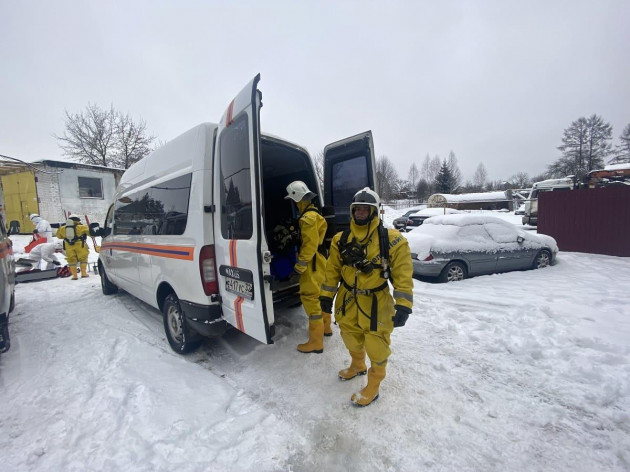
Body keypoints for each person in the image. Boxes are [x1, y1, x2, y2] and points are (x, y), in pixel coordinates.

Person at [319, 188, 413, 407]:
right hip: (347, 298)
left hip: (376, 301)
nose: (360, 212)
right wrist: (326, 296)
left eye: (365, 209)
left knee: (376, 345)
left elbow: (403, 274)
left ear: (375, 211)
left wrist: (404, 305)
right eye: (357, 209)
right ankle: (358, 365)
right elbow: (332, 270)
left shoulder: (393, 240)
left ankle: (373, 385)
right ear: (352, 211)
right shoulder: (340, 239)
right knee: (349, 335)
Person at [284, 180, 330, 353]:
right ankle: (326, 328)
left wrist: (299, 268)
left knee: (310, 298)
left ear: (297, 198)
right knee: (321, 295)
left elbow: (309, 246)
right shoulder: (314, 213)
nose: (293, 203)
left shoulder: (307, 218)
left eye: (293, 200)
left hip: (312, 264)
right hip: (319, 260)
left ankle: (316, 342)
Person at [56, 214, 90, 280]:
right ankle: (83, 273)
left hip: (68, 245)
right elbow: (90, 233)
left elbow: (59, 236)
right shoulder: (81, 227)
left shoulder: (62, 228)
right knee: (83, 258)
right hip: (80, 245)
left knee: (71, 260)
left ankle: (74, 276)